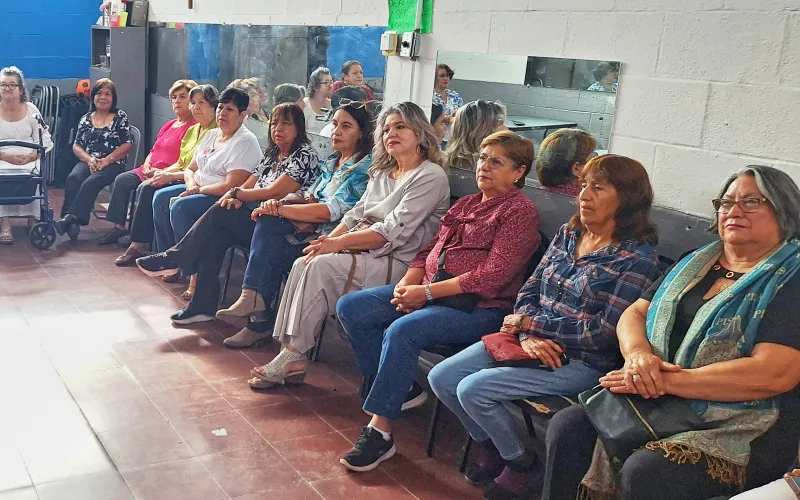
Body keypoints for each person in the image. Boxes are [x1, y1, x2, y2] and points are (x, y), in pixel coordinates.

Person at [542, 165, 800, 500]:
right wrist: (638, 356)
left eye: (751, 202)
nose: (733, 211)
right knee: (569, 427)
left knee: (647, 471)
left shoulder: (791, 277)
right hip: (657, 397)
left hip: (741, 422)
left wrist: (664, 382)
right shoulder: (696, 262)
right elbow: (635, 312)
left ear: (783, 208)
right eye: (726, 202)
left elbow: (774, 372)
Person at [428, 154, 661, 500]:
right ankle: (497, 446)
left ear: (627, 198)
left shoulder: (636, 259)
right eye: (583, 185)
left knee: (473, 390)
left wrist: (533, 325)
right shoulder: (570, 233)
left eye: (598, 188)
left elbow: (603, 333)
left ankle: (521, 464)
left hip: (580, 361)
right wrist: (527, 333)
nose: (584, 195)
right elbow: (530, 289)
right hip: (526, 340)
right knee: (442, 378)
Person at [336, 131, 541, 473]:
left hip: (479, 309)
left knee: (403, 331)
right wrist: (406, 287)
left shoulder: (520, 212)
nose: (484, 166)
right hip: (431, 292)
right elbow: (426, 252)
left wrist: (426, 294)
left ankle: (380, 431)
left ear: (519, 172)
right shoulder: (466, 204)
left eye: (496, 162)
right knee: (353, 308)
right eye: (482, 158)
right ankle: (399, 391)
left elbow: (491, 276)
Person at [245, 101, 450, 391]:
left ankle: (293, 355)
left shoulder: (429, 175)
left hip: (400, 265)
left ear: (419, 133)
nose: (391, 133)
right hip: (364, 251)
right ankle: (290, 354)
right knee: (304, 260)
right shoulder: (383, 172)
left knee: (320, 266)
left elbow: (389, 233)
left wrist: (336, 243)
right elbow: (355, 214)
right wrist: (326, 241)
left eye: (400, 127)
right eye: (386, 129)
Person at [135, 103, 320, 323]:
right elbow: (250, 184)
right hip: (257, 218)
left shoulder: (304, 155)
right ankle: (201, 306)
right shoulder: (273, 154)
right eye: (274, 124)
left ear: (298, 128)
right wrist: (236, 197)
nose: (278, 129)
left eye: (286, 124)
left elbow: (274, 191)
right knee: (216, 234)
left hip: (280, 228)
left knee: (219, 214)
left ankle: (176, 258)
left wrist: (235, 193)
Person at [218, 101, 374, 348]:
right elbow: (309, 195)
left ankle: (257, 316)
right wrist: (280, 202)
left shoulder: (363, 169)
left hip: (327, 240)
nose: (336, 131)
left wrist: (280, 208)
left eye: (346, 126)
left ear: (362, 133)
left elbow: (329, 212)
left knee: (269, 240)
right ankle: (254, 308)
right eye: (335, 124)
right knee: (259, 228)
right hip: (303, 230)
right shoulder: (332, 161)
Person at [146, 87, 261, 300]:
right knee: (161, 198)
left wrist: (197, 190)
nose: (222, 113)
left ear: (243, 115)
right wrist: (190, 185)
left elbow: (230, 185)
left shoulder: (245, 141)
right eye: (220, 108)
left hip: (221, 197)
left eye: (229, 110)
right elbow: (190, 168)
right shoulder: (212, 134)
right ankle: (173, 262)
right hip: (197, 186)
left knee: (181, 208)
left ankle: (193, 275)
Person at [114, 85, 219, 266]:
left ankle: (147, 248)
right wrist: (164, 173)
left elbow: (200, 169)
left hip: (199, 182)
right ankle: (160, 252)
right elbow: (181, 162)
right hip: (185, 175)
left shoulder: (214, 132)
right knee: (145, 185)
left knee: (149, 189)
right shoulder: (194, 130)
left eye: (201, 102)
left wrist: (168, 175)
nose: (196, 107)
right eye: (193, 103)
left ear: (213, 106)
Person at [96, 79, 197, 245]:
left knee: (144, 189)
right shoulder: (170, 124)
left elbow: (184, 161)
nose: (177, 101)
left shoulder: (193, 127)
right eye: (174, 97)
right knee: (122, 180)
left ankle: (138, 239)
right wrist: (148, 163)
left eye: (182, 97)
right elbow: (153, 150)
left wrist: (158, 171)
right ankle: (118, 227)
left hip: (165, 173)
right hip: (149, 169)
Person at [55, 79, 132, 236]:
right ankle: (70, 221)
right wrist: (89, 160)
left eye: (107, 94)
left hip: (113, 163)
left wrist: (107, 160)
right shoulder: (85, 118)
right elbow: (76, 146)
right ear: (93, 96)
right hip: (89, 160)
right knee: (73, 178)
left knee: (91, 182)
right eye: (99, 93)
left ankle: (70, 219)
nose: (102, 97)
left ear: (113, 98)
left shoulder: (120, 117)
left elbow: (127, 144)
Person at [0, 66, 53, 244]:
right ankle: (5, 224)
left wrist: (32, 156)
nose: (7, 88)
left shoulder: (32, 110)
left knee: (33, 173)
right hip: (2, 158)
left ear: (21, 89)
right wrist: (5, 156)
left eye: (12, 85)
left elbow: (44, 139)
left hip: (29, 157)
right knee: (3, 176)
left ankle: (33, 218)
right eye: (3, 84)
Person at [445, 100, 507, 171]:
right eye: (500, 124)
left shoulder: (448, 163)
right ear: (481, 130)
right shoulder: (485, 169)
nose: (505, 129)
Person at [536, 128, 597, 197]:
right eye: (592, 159)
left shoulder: (536, 196)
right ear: (576, 168)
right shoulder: (586, 199)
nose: (596, 164)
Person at [230, 78, 270, 149]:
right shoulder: (240, 123)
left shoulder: (261, 117)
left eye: (256, 94)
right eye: (253, 95)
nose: (259, 98)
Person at [432, 63, 463, 145]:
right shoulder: (431, 97)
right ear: (434, 78)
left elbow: (461, 113)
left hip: (453, 138)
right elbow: (432, 118)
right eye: (442, 76)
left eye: (448, 76)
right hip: (437, 137)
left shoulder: (455, 95)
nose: (446, 78)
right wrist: (448, 119)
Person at [304, 67, 334, 135]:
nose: (330, 86)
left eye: (331, 82)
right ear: (315, 86)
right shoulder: (305, 104)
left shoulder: (333, 105)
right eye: (326, 82)